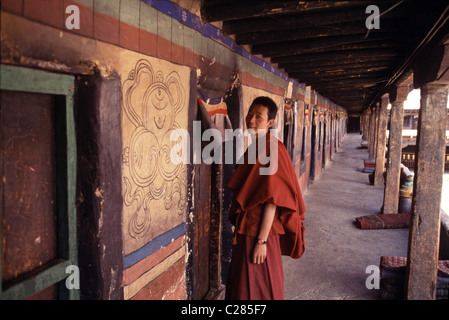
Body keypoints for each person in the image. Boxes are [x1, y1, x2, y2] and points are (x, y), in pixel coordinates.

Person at [225, 96, 306, 300]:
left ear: (270, 123)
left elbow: (273, 200)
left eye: (258, 117)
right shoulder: (257, 147)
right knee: (242, 285)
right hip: (248, 228)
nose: (251, 120)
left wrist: (261, 240)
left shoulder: (271, 148)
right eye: (250, 114)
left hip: (259, 231)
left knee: (259, 287)